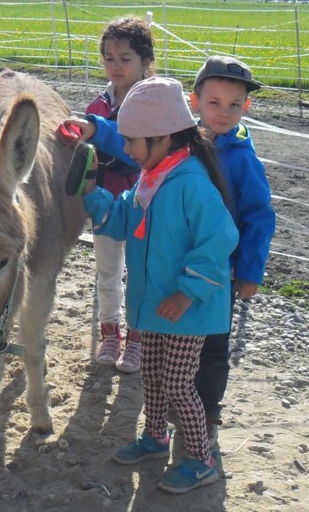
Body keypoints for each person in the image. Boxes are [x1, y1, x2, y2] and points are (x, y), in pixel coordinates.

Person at [79, 77, 238, 494]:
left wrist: (188, 290)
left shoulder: (191, 184)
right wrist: (90, 190)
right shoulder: (149, 180)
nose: (127, 150)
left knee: (178, 385)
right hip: (152, 305)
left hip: (190, 310)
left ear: (164, 138)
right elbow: (119, 219)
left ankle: (201, 460)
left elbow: (219, 239)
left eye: (133, 141)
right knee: (150, 375)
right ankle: (155, 437)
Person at [189, 55, 275, 448]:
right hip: (183, 261)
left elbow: (259, 216)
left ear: (247, 107)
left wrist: (251, 271)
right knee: (180, 335)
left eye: (234, 105)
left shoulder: (243, 159)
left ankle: (207, 408)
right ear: (195, 101)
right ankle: (181, 397)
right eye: (214, 103)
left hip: (222, 272)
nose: (224, 113)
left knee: (215, 342)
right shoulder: (182, 145)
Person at [60, 16, 154, 373]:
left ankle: (138, 340)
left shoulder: (152, 104)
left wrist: (98, 131)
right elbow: (88, 157)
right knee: (107, 273)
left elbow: (136, 150)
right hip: (104, 204)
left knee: (142, 274)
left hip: (146, 206)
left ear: (145, 61)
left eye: (125, 58)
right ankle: (110, 335)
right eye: (109, 57)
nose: (115, 65)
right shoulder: (96, 106)